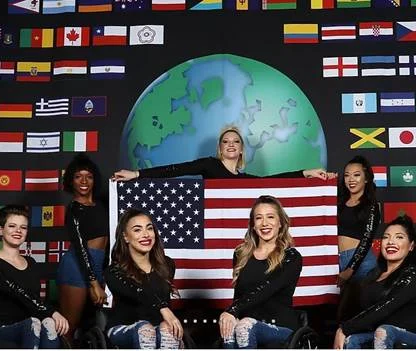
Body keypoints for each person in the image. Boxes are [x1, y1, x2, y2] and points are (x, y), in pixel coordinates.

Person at [218, 195, 302, 348]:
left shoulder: (292, 257)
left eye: (270, 217)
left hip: (280, 327)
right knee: (230, 327)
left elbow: (267, 288)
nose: (264, 223)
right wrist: (232, 316)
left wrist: (232, 310)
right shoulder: (241, 254)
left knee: (244, 326)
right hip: (244, 325)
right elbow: (239, 295)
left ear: (281, 223)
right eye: (258, 218)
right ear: (253, 225)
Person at [112, 125, 332, 181]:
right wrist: (136, 175)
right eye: (226, 141)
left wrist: (305, 173)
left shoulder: (244, 179)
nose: (231, 144)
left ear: (242, 150)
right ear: (220, 148)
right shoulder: (209, 165)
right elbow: (175, 170)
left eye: (236, 141)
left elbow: (270, 181)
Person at [334, 214, 416, 349]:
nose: (390, 242)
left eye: (399, 237)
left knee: (384, 331)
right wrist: (345, 330)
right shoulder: (372, 275)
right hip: (377, 333)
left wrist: (345, 328)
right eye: (386, 237)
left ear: (411, 245)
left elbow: (386, 306)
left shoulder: (412, 274)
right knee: (351, 339)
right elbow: (365, 312)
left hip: (409, 336)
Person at [104, 208, 183, 349]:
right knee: (146, 329)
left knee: (168, 329)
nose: (146, 235)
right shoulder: (114, 271)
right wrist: (163, 308)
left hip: (160, 327)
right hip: (124, 327)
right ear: (125, 237)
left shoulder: (167, 265)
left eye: (149, 228)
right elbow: (138, 292)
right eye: (137, 230)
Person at [56, 153, 109, 343]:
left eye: (89, 176)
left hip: (98, 265)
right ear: (71, 181)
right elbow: (80, 247)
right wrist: (94, 282)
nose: (84, 181)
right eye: (78, 176)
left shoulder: (101, 205)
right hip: (76, 267)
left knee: (96, 326)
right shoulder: (74, 209)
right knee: (68, 327)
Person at [0, 205, 69, 348]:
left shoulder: (31, 263)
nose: (18, 231)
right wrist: (52, 312)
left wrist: (50, 316)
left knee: (48, 323)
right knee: (34, 323)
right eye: (12, 226)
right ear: (1, 230)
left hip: (34, 327)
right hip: (4, 329)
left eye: (23, 227)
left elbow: (37, 298)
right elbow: (18, 292)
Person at [337, 155, 380, 286]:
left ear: (366, 178)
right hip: (336, 259)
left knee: (362, 305)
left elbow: (367, 240)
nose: (351, 180)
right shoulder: (338, 202)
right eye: (346, 175)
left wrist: (351, 268)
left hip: (361, 262)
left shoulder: (372, 206)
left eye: (356, 175)